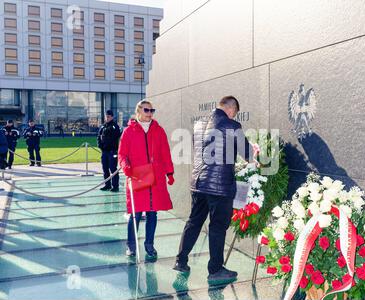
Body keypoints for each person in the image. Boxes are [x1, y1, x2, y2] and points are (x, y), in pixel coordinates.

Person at [174, 96, 259, 284]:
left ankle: (181, 260)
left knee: (194, 222)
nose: (234, 115)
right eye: (234, 113)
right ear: (231, 109)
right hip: (219, 187)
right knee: (218, 227)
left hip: (198, 183)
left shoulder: (198, 125)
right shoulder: (232, 125)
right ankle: (215, 269)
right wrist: (255, 153)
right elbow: (247, 154)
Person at [118, 100, 175, 260]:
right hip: (137, 176)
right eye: (147, 110)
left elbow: (165, 153)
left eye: (152, 110)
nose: (150, 113)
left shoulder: (158, 131)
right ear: (138, 112)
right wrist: (125, 165)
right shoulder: (129, 132)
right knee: (135, 214)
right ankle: (131, 245)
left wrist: (169, 173)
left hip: (155, 178)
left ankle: (149, 244)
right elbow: (122, 154)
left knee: (152, 213)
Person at [97, 110, 122, 192]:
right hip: (104, 152)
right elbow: (99, 137)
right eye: (106, 116)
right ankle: (107, 185)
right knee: (105, 169)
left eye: (108, 116)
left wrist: (112, 147)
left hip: (112, 151)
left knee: (113, 169)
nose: (107, 118)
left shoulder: (115, 126)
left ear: (112, 117)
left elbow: (117, 137)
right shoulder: (103, 126)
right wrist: (100, 146)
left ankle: (115, 186)